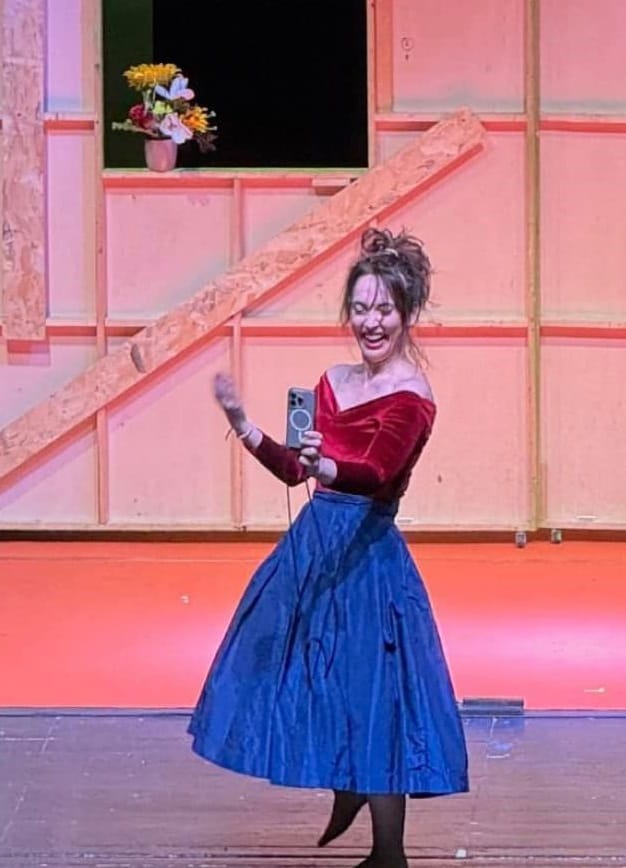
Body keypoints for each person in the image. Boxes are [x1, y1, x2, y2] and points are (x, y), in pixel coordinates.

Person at [189, 227, 469, 868]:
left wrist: (328, 468)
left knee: (376, 696)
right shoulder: (332, 381)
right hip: (314, 548)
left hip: (367, 556)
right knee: (313, 679)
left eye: (385, 309)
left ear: (406, 314)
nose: (372, 322)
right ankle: (347, 786)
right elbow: (296, 470)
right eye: (361, 308)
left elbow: (376, 472)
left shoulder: (412, 395)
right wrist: (244, 425)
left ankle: (389, 852)